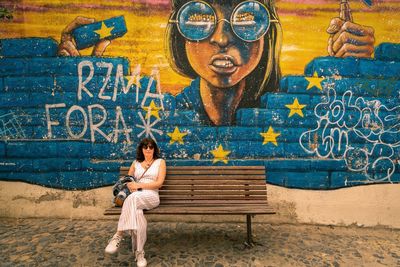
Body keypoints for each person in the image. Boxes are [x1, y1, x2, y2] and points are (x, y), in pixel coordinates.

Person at [57, 0, 375, 126]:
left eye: (247, 18)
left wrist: (350, 77)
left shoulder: (286, 111)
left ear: (269, 35)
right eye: (199, 18)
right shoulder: (165, 113)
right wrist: (80, 81)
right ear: (178, 34)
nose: (222, 37)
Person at [104, 138, 166, 267]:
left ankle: (119, 234)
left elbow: (159, 184)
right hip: (136, 197)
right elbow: (128, 181)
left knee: (133, 199)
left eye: (151, 147)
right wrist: (132, 185)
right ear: (141, 149)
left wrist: (139, 185)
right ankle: (140, 253)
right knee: (137, 214)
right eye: (145, 147)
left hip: (151, 196)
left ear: (154, 149)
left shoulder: (160, 162)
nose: (148, 149)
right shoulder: (135, 163)